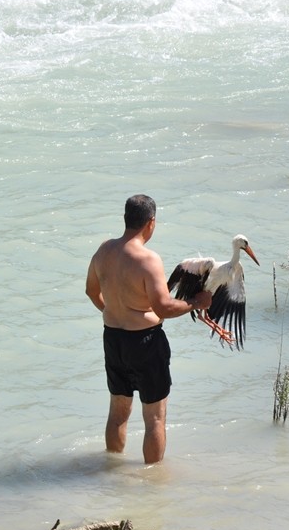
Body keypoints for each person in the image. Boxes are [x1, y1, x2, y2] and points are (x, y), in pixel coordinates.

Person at [85, 195, 211, 464]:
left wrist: (114, 312)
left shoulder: (103, 250)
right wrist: (195, 302)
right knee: (154, 417)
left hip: (113, 339)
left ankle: (112, 469)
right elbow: (164, 307)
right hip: (144, 342)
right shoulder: (148, 259)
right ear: (150, 223)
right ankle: (152, 486)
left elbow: (91, 291)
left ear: (126, 219)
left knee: (118, 412)